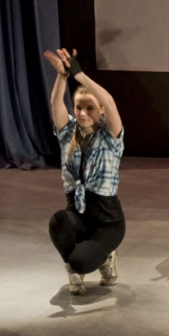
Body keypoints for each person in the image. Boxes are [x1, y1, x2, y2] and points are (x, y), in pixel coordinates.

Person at [44, 48, 125, 295]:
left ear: (100, 110)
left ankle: (105, 257)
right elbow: (55, 104)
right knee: (58, 222)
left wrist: (79, 74)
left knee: (83, 260)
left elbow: (109, 101)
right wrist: (62, 76)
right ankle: (73, 271)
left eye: (90, 108)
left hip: (107, 222)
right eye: (79, 107)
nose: (82, 113)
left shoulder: (110, 136)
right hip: (78, 215)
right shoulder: (69, 132)